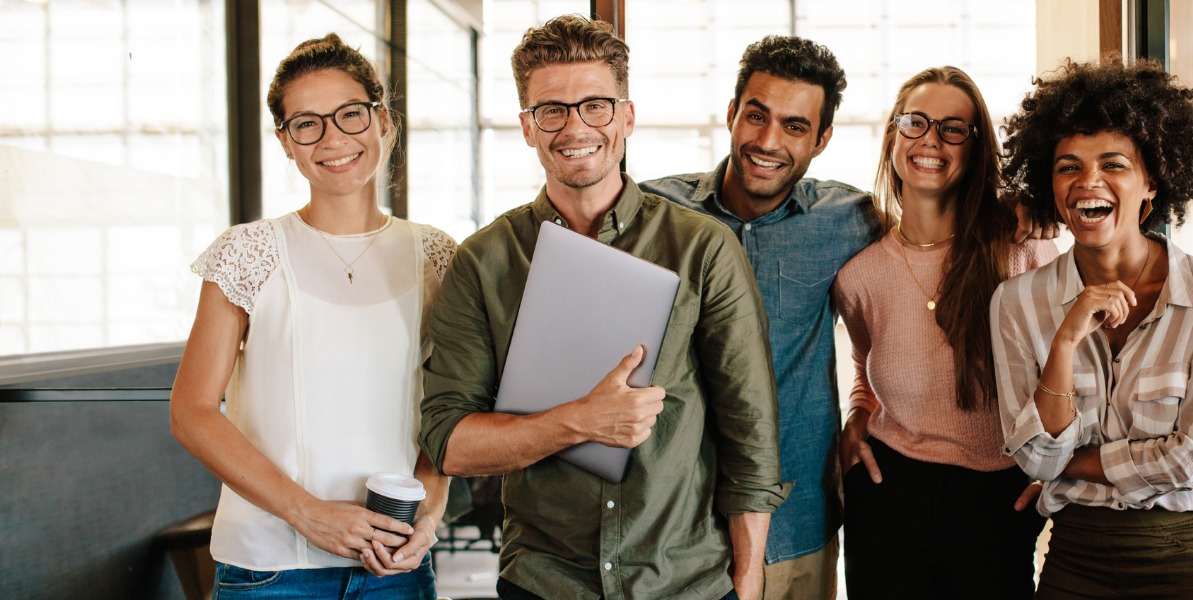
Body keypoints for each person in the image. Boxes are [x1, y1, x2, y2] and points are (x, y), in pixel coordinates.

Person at [418, 15, 786, 600]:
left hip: (685, 580)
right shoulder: (483, 262)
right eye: (552, 110)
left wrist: (747, 582)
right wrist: (578, 422)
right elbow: (448, 440)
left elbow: (751, 437)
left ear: (626, 117)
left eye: (596, 105)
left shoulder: (701, 248)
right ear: (527, 126)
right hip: (544, 581)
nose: (574, 127)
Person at [170, 33, 453, 599]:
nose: (333, 139)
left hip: (393, 569)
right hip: (269, 571)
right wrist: (306, 513)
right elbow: (192, 411)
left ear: (384, 122)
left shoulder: (436, 255)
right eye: (307, 123)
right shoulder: (247, 251)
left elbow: (452, 404)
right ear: (286, 142)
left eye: (351, 115)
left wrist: (430, 507)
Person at [991, 59, 1193, 598]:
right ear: (1050, 183)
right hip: (1076, 560)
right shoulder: (1016, 303)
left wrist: (1071, 463)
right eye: (1068, 167)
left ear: (1152, 178)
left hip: (1192, 559)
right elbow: (1034, 461)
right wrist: (1064, 340)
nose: (1089, 182)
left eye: (1114, 164)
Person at [639, 35, 876, 600]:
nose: (768, 141)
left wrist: (866, 403)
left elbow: (928, 260)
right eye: (756, 115)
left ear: (821, 140)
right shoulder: (653, 215)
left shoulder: (852, 221)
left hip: (797, 530)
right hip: (674, 537)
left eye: (795, 126)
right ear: (731, 114)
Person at [831, 66, 1057, 599]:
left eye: (953, 128)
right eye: (916, 123)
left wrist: (1059, 469)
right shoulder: (859, 274)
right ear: (893, 137)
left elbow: (1067, 372)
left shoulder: (1020, 249)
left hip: (998, 496)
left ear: (975, 149)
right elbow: (866, 368)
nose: (931, 140)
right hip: (888, 494)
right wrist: (856, 418)